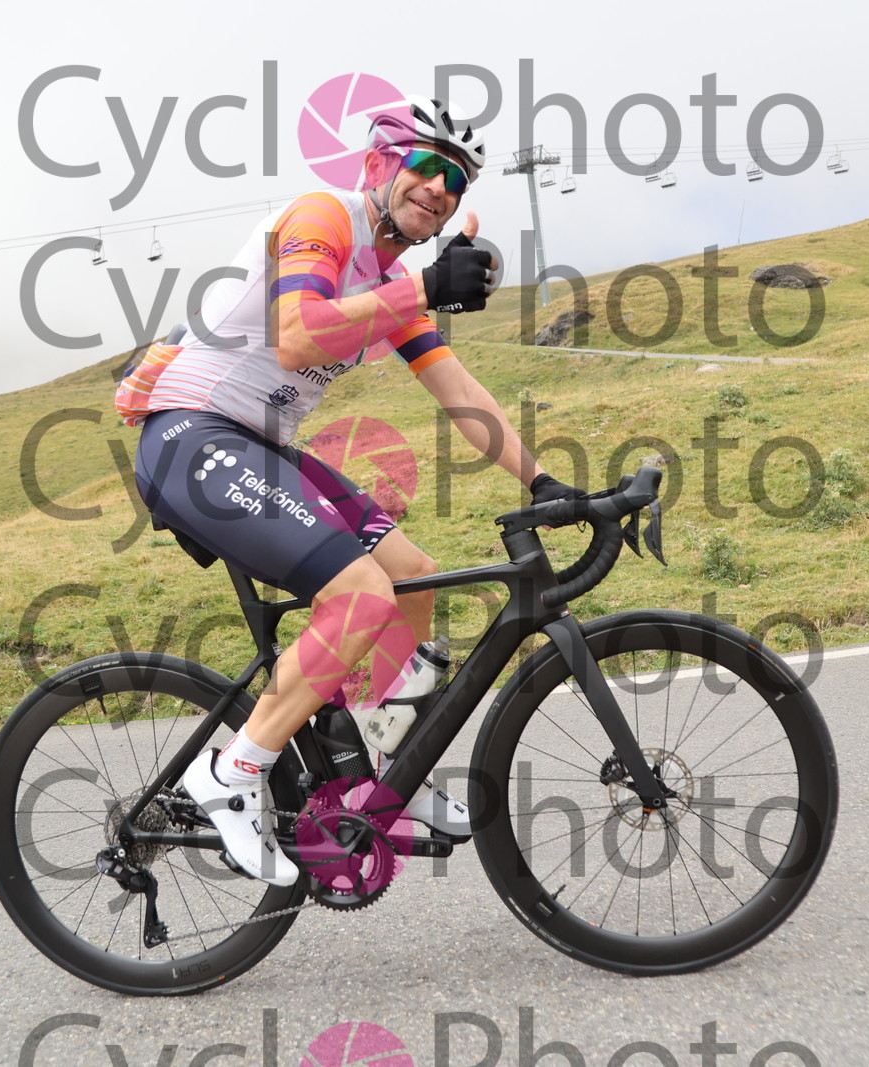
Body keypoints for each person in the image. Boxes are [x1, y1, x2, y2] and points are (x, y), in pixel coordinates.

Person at [124, 98, 583, 886]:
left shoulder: (391, 278)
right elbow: (298, 334)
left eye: (456, 181)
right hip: (192, 434)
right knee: (362, 594)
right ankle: (233, 772)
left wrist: (543, 480)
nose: (439, 187)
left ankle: (374, 775)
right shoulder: (323, 217)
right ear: (378, 165)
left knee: (413, 579)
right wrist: (426, 287)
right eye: (425, 165)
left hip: (259, 446)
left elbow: (458, 391)